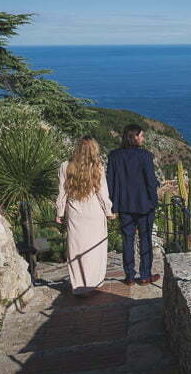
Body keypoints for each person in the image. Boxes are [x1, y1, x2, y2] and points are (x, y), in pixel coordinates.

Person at [55, 136, 114, 295]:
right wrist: (108, 211)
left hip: (75, 214)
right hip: (94, 213)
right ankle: (94, 282)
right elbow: (102, 193)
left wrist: (60, 212)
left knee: (76, 249)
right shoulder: (97, 167)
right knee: (95, 250)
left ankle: (79, 286)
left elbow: (62, 192)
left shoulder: (65, 166)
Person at [106, 124, 161, 286]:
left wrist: (112, 205)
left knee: (127, 241)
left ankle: (129, 276)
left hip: (124, 205)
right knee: (145, 239)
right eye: (141, 135)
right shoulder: (145, 156)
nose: (143, 138)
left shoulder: (114, 156)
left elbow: (110, 182)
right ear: (134, 137)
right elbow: (150, 181)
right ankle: (145, 275)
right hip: (144, 205)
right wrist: (154, 202)